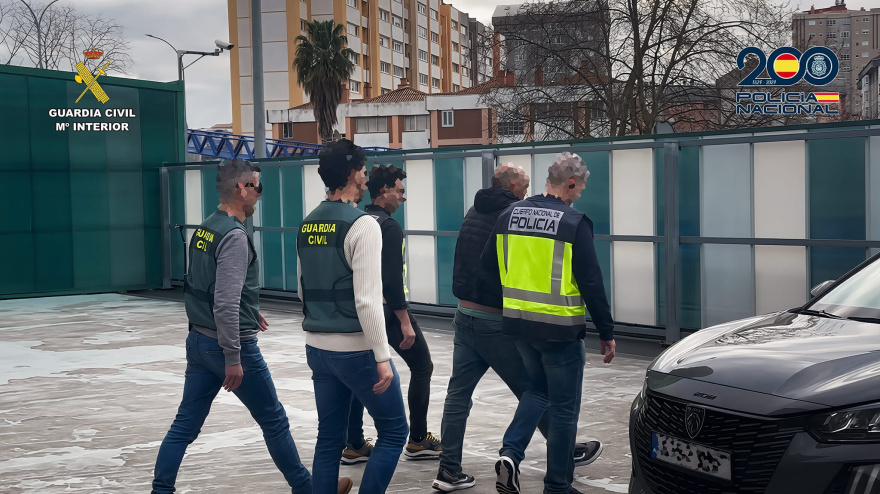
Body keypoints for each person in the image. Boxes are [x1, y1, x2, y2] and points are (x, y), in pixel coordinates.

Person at [152, 159, 352, 494]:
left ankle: (161, 490)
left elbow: (207, 287)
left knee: (184, 425)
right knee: (273, 420)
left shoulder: (206, 228)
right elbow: (225, 303)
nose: (260, 194)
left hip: (199, 341)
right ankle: (308, 489)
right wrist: (233, 356)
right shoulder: (233, 236)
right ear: (241, 188)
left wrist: (248, 310)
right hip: (230, 347)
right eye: (257, 187)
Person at [433, 164, 602, 492]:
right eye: (524, 188)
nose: (528, 195)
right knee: (535, 391)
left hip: (463, 315)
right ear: (512, 186)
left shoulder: (473, 211)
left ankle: (448, 469)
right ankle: (554, 451)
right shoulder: (511, 217)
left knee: (458, 396)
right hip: (495, 321)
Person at [481, 153, 616, 494]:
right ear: (570, 182)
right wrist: (607, 331)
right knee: (565, 409)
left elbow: (487, 264)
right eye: (580, 187)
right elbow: (591, 281)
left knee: (536, 390)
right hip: (559, 330)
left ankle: (510, 454)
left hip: (519, 325)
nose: (580, 194)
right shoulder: (573, 221)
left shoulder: (510, 213)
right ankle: (557, 485)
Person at [296, 140, 408, 494]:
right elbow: (367, 301)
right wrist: (382, 356)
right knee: (394, 431)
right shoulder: (363, 225)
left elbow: (302, 290)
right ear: (350, 175)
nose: (364, 177)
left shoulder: (308, 222)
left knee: (329, 437)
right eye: (362, 170)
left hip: (316, 347)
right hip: (355, 350)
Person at [342, 164, 441, 465]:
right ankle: (419, 439)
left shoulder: (356, 220)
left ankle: (354, 444)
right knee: (422, 367)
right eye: (400, 191)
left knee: (359, 378)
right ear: (384, 191)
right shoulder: (388, 226)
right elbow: (392, 279)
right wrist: (404, 320)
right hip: (386, 311)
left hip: (359, 312)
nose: (403, 198)